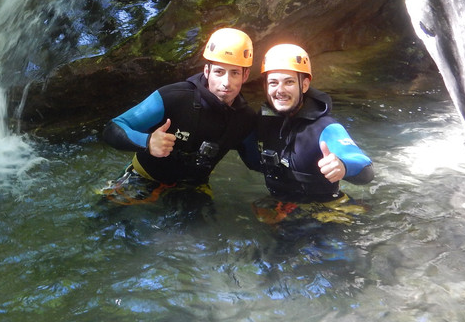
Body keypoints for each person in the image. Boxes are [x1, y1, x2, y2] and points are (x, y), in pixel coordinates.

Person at [100, 27, 259, 205]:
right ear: (207, 71)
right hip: (144, 177)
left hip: (192, 187)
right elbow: (112, 128)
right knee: (101, 219)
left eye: (235, 73)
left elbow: (256, 162)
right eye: (219, 72)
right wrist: (147, 141)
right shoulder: (174, 97)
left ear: (245, 75)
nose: (226, 82)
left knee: (201, 230)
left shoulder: (245, 119)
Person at [252, 43, 373, 224]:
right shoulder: (264, 121)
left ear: (305, 84)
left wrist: (343, 166)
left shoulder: (325, 127)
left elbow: (366, 171)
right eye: (273, 83)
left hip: (326, 213)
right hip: (282, 207)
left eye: (289, 82)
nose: (280, 90)